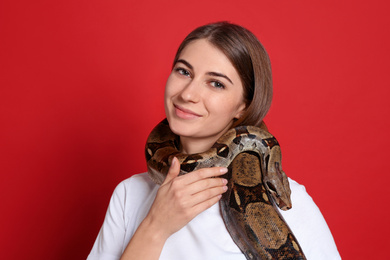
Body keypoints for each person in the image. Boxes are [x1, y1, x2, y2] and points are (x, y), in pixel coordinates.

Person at [87, 22, 341, 260]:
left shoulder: (291, 203)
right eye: (184, 71)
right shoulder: (129, 195)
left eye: (216, 84)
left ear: (243, 106)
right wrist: (156, 226)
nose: (187, 94)